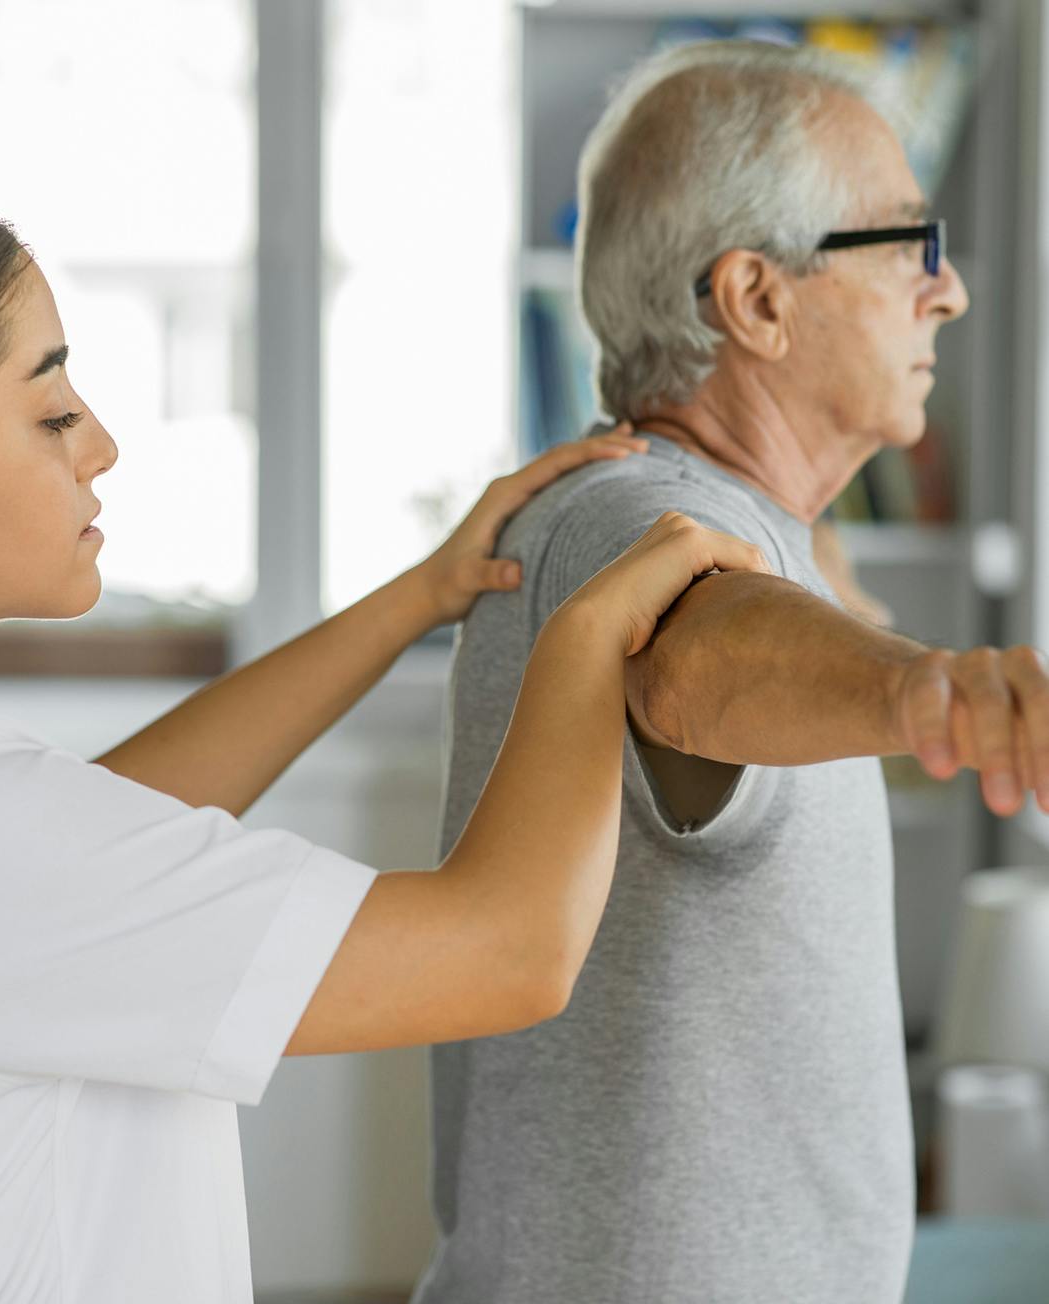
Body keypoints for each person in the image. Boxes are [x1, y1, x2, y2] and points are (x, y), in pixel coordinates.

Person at [0, 181, 774, 1304]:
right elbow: (509, 950)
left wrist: (417, 596)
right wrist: (587, 634)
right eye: (52, 411)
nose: (102, 445)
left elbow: (109, 828)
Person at [414, 40, 1049, 1304]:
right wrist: (934, 688)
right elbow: (695, 652)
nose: (949, 293)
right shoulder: (633, 518)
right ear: (756, 301)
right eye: (908, 245)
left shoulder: (717, 512)